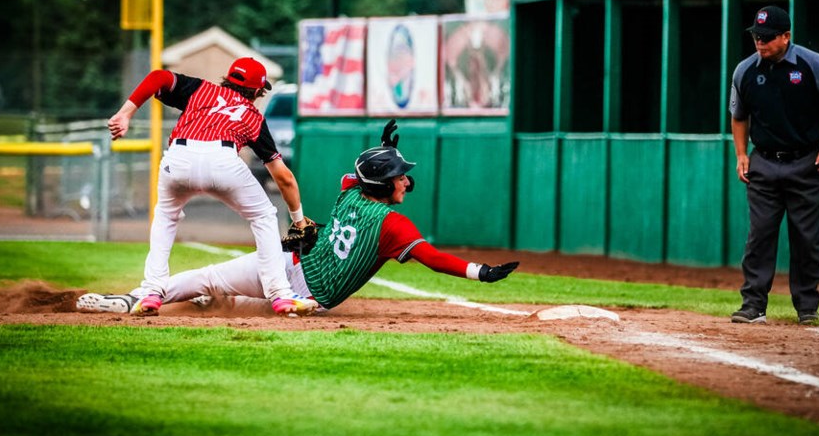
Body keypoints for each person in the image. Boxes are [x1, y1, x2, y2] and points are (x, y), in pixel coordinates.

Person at [77, 120, 519, 315]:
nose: (407, 182)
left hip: (290, 267)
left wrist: (384, 150)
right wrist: (481, 273)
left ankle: (143, 296)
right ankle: (145, 299)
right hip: (303, 287)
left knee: (215, 286)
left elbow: (354, 174)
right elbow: (436, 260)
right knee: (220, 285)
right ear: (384, 186)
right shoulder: (393, 226)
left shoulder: (349, 195)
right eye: (401, 176)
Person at [106, 57, 317, 316]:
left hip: (178, 158)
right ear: (257, 91)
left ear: (229, 78)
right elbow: (283, 178)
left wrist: (125, 113)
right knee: (264, 216)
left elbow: (158, 77)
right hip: (223, 161)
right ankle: (281, 295)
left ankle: (152, 291)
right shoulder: (253, 116)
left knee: (166, 216)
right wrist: (298, 220)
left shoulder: (199, 89)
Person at [729, 6, 819, 325]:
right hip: (764, 164)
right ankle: (753, 305)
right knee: (759, 235)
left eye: (767, 37)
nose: (760, 42)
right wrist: (742, 154)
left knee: (806, 238)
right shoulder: (744, 71)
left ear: (786, 36)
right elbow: (739, 116)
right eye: (756, 36)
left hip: (808, 164)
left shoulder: (813, 64)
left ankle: (807, 307)